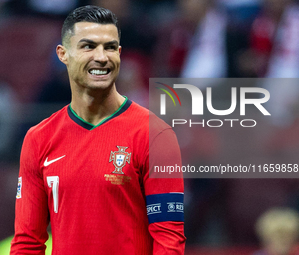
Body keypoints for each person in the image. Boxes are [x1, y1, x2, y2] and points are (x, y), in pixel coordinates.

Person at [10, 5, 186, 255]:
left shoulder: (155, 134)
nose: (102, 57)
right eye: (88, 46)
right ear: (63, 54)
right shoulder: (39, 138)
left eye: (110, 47)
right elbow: (27, 242)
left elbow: (169, 240)